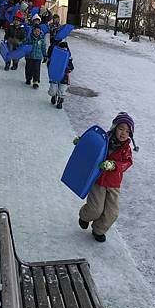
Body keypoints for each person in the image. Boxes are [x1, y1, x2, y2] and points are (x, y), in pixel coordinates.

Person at [78, 113, 137, 242]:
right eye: (121, 128)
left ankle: (99, 230)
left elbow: (128, 162)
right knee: (95, 209)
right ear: (114, 128)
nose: (123, 133)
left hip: (113, 183)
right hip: (98, 181)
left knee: (112, 212)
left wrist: (114, 165)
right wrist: (81, 143)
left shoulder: (126, 149)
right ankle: (84, 216)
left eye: (127, 131)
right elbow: (91, 147)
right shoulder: (104, 140)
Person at [47, 41, 73, 109]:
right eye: (62, 48)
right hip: (55, 75)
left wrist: (68, 68)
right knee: (52, 91)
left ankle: (60, 101)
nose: (63, 50)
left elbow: (71, 66)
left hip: (64, 76)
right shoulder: (55, 56)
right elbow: (49, 64)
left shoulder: (68, 57)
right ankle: (54, 95)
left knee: (62, 90)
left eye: (65, 48)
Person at [25, 22, 47, 88]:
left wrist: (45, 55)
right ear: (32, 31)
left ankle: (36, 81)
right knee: (28, 68)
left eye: (38, 31)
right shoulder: (29, 38)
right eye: (35, 31)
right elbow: (24, 43)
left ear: (40, 31)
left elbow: (43, 48)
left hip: (38, 57)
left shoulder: (42, 39)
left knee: (36, 69)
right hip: (29, 56)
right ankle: (28, 78)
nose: (36, 32)